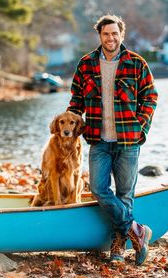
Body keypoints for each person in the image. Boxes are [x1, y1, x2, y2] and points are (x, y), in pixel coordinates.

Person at [67, 14, 158, 265]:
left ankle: (118, 247)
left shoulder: (137, 63)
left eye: (115, 33)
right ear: (100, 35)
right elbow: (76, 101)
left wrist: (141, 127)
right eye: (106, 34)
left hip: (128, 141)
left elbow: (150, 97)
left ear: (122, 35)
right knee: (98, 189)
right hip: (98, 140)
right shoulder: (86, 64)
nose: (111, 38)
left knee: (125, 194)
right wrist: (70, 125)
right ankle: (138, 230)